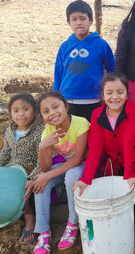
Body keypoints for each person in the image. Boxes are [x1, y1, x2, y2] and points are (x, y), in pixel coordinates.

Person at [31, 92, 89, 254]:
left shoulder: (80, 123)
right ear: (42, 116)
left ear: (66, 107)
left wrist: (47, 175)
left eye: (56, 106)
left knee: (71, 175)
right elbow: (45, 168)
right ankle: (43, 232)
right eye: (46, 111)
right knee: (40, 184)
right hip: (64, 166)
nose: (52, 113)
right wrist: (43, 147)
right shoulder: (47, 132)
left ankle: (72, 223)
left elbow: (77, 160)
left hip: (83, 165)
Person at [0, 93, 44, 244]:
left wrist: (32, 178)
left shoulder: (39, 132)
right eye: (16, 110)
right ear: (10, 113)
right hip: (14, 170)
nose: (21, 114)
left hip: (31, 170)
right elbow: (6, 151)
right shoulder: (10, 130)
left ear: (35, 111)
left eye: (25, 109)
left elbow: (42, 161)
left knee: (20, 190)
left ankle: (30, 220)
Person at [73, 73, 135, 195]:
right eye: (109, 93)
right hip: (110, 167)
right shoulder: (97, 114)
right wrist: (86, 178)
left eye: (120, 92)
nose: (115, 97)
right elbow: (95, 148)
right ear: (103, 95)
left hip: (134, 165)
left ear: (127, 94)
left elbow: (129, 142)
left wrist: (130, 174)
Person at [54, 0, 115, 122]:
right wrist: (56, 99)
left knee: (92, 136)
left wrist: (109, 94)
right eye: (74, 19)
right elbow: (58, 74)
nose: (79, 23)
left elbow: (112, 70)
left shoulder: (101, 44)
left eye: (82, 18)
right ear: (68, 22)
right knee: (72, 137)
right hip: (68, 102)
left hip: (94, 100)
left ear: (90, 21)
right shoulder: (64, 47)